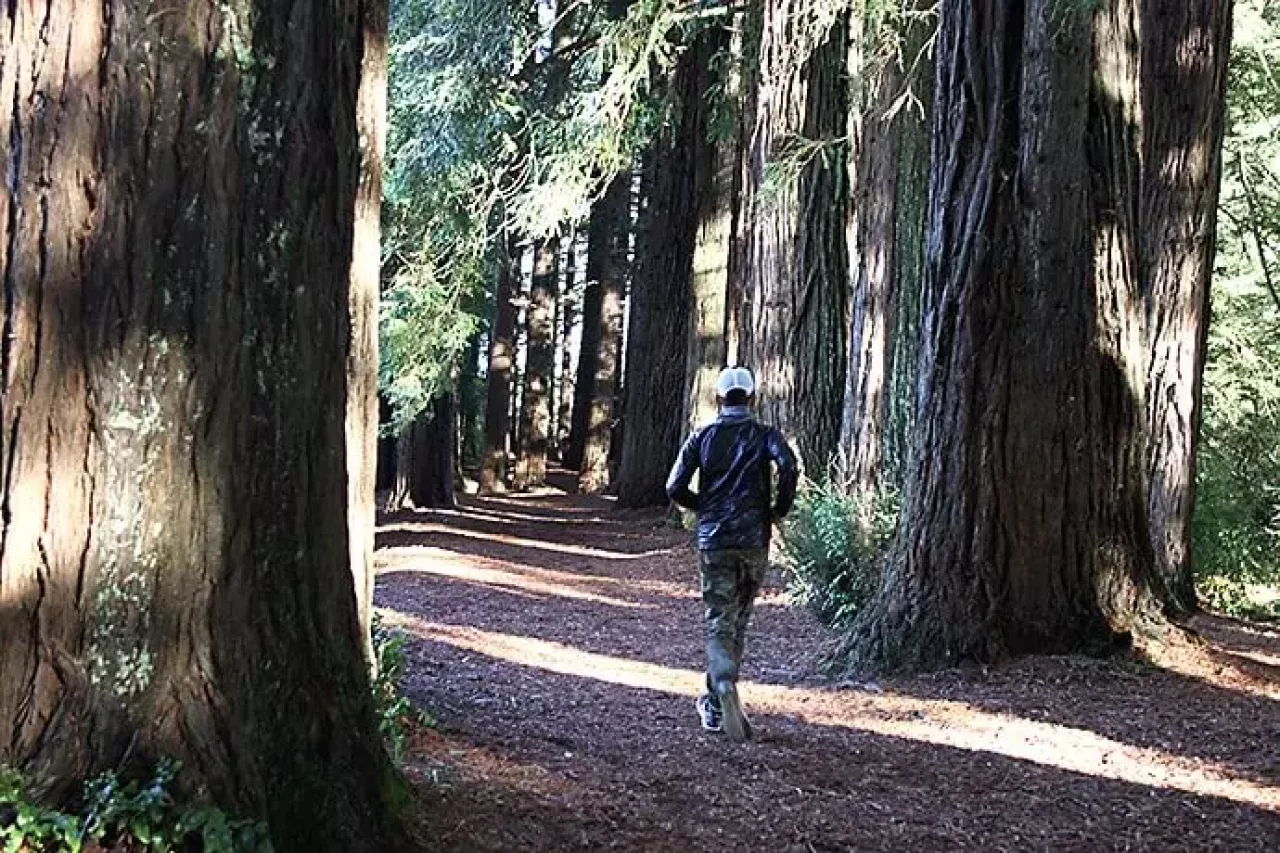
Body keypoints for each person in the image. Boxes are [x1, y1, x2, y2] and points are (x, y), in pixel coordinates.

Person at [665, 366, 799, 742]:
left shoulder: (703, 437)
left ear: (719, 399)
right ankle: (717, 692)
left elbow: (673, 485)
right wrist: (778, 508)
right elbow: (788, 465)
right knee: (738, 617)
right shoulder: (764, 436)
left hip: (714, 540)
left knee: (718, 617)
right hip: (753, 537)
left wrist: (703, 506)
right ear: (752, 398)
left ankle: (719, 686)